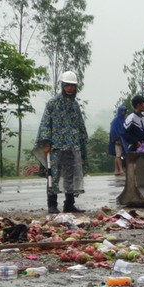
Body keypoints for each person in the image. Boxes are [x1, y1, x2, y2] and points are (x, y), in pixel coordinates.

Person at [36, 70, 89, 214]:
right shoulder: (53, 103)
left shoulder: (75, 105)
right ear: (63, 86)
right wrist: (46, 142)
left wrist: (83, 140)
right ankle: (52, 204)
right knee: (53, 175)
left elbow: (79, 124)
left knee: (70, 175)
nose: (70, 88)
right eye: (67, 86)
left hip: (72, 146)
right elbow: (46, 123)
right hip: (56, 147)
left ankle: (69, 204)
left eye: (72, 86)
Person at [108, 104, 128, 176]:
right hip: (117, 140)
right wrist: (116, 139)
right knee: (118, 155)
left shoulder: (124, 119)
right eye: (122, 111)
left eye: (125, 111)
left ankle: (116, 170)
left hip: (123, 140)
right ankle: (121, 170)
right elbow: (113, 130)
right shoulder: (115, 120)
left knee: (118, 155)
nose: (124, 112)